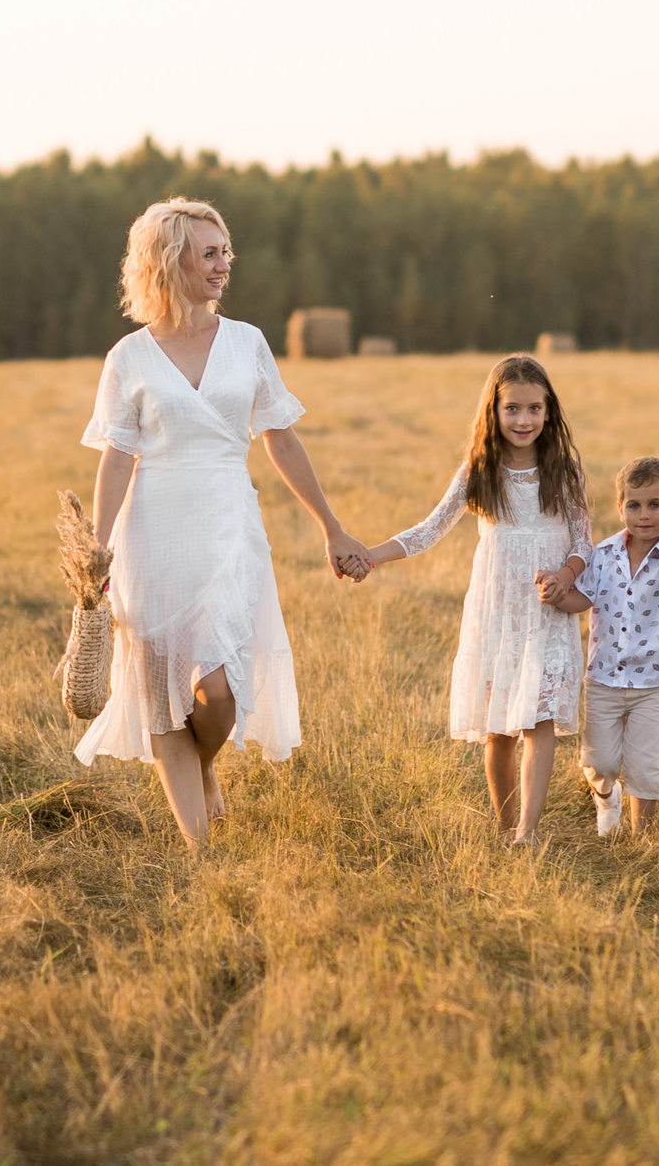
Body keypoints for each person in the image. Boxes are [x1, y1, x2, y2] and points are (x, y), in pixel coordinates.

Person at [77, 197, 372, 852]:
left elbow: (282, 440)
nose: (223, 263)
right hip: (152, 537)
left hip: (227, 530)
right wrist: (96, 555)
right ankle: (201, 852)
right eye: (209, 252)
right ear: (168, 259)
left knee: (217, 691)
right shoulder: (127, 357)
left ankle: (204, 763)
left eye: (225, 251)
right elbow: (117, 459)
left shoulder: (248, 343)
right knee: (160, 693)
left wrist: (332, 526)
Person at [357, 355, 594, 845]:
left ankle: (528, 830)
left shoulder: (565, 471)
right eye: (513, 409)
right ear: (494, 410)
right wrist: (369, 556)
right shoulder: (479, 471)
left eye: (534, 408)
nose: (524, 420)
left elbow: (583, 543)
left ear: (548, 411)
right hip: (497, 613)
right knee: (500, 730)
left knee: (540, 717)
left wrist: (565, 575)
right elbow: (428, 531)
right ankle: (507, 826)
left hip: (546, 609)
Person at [573, 456, 659, 838]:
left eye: (655, 505)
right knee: (599, 761)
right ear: (620, 508)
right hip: (604, 678)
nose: (644, 514)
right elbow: (581, 599)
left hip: (652, 684)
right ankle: (605, 797)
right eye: (634, 505)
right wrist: (554, 594)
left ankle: (640, 837)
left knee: (646, 767)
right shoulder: (603, 555)